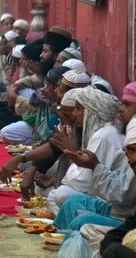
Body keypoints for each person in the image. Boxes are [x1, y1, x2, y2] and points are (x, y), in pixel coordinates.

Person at [55, 113, 136, 231]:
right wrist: (93, 166)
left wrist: (94, 166)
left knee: (81, 222)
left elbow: (123, 194)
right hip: (118, 210)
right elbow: (119, 178)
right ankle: (56, 241)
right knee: (72, 202)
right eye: (131, 150)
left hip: (130, 221)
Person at [46, 86, 126, 214]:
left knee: (60, 195)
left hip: (111, 204)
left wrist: (71, 153)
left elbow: (82, 184)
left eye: (78, 108)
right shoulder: (103, 132)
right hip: (102, 195)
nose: (74, 113)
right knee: (54, 194)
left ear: (91, 111)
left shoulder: (102, 136)